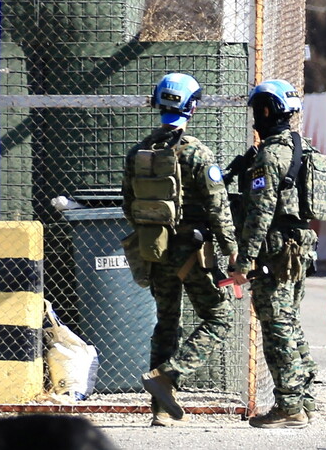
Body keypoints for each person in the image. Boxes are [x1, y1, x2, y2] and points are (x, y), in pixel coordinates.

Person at [121, 73, 238, 427]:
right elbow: (218, 207)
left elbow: (128, 205)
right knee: (220, 316)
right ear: (193, 107)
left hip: (154, 250)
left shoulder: (138, 153)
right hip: (193, 252)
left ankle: (161, 410)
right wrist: (232, 250)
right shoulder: (197, 153)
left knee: (166, 323)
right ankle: (168, 375)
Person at [227, 79, 322, 429]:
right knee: (290, 322)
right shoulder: (302, 148)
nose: (256, 117)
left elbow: (260, 213)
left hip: (275, 252)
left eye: (258, 110)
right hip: (298, 248)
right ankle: (305, 398)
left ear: (267, 111)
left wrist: (244, 261)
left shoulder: (269, 156)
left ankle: (289, 406)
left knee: (277, 327)